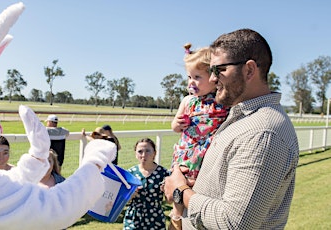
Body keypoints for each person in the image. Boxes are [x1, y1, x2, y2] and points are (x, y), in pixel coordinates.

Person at [163, 28, 300, 229]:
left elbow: (235, 223)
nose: (211, 79)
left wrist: (180, 192)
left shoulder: (262, 133)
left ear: (249, 70)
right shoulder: (239, 117)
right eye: (210, 71)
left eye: (219, 70)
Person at [168, 43, 229, 229]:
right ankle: (176, 218)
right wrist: (177, 124)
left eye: (197, 77)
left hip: (208, 153)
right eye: (189, 77)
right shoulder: (188, 101)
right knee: (182, 183)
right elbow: (175, 127)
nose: (191, 82)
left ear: (213, 78)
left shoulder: (222, 101)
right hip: (188, 151)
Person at [123, 138, 168, 230]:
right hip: (134, 217)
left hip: (155, 217)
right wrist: (130, 194)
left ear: (154, 153)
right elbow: (123, 201)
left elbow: (170, 201)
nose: (144, 155)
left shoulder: (163, 173)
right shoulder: (130, 174)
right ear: (135, 154)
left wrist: (166, 192)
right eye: (140, 151)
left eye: (148, 151)